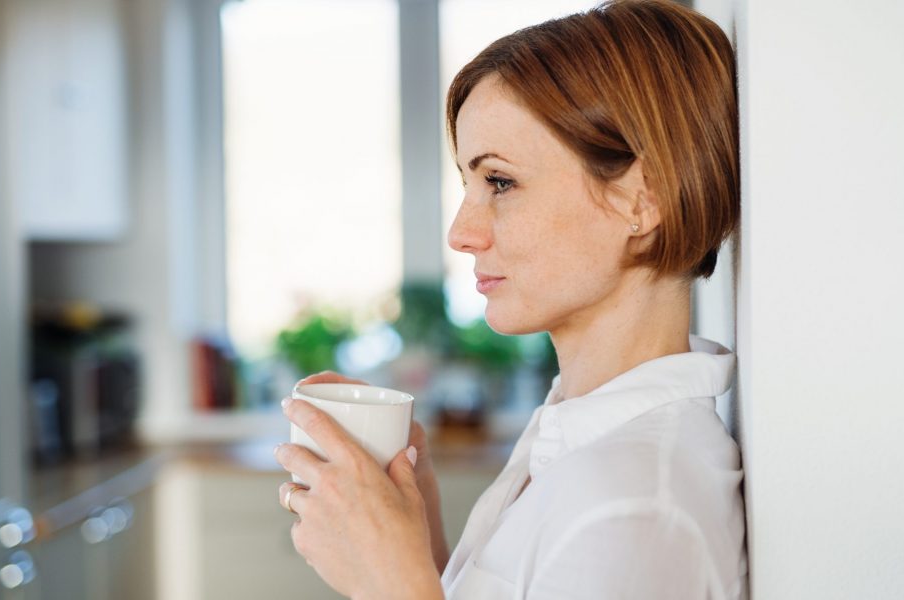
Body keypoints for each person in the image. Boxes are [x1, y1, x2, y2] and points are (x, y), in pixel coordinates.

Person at [273, 0, 743, 597]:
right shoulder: (576, 431)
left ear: (641, 200)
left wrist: (388, 585)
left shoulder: (632, 509)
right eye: (469, 184)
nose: (460, 233)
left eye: (500, 181)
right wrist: (421, 544)